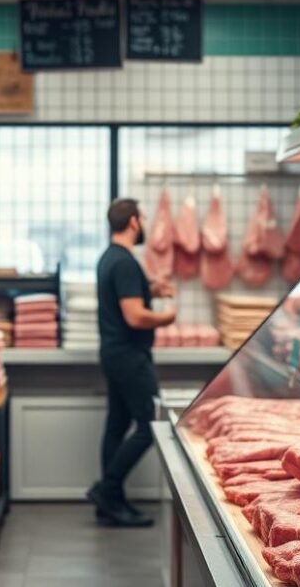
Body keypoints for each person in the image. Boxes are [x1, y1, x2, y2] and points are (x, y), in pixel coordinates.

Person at [86, 198, 177, 527]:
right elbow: (135, 317)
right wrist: (167, 317)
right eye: (144, 217)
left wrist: (150, 287)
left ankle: (110, 502)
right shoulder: (125, 262)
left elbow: (125, 296)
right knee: (151, 424)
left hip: (113, 353)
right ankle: (107, 491)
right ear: (134, 222)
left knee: (117, 425)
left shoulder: (109, 258)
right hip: (129, 356)